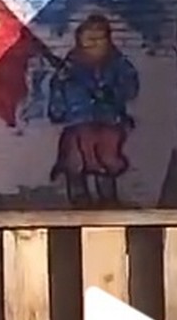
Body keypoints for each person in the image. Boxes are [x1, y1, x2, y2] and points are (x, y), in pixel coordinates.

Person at [48, 14, 140, 206]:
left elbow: (130, 88)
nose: (94, 43)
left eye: (99, 37)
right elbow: (57, 100)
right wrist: (59, 94)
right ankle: (79, 200)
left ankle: (108, 201)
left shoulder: (117, 63)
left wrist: (111, 93)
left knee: (105, 163)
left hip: (108, 121)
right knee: (75, 162)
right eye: (89, 37)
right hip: (78, 122)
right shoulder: (70, 65)